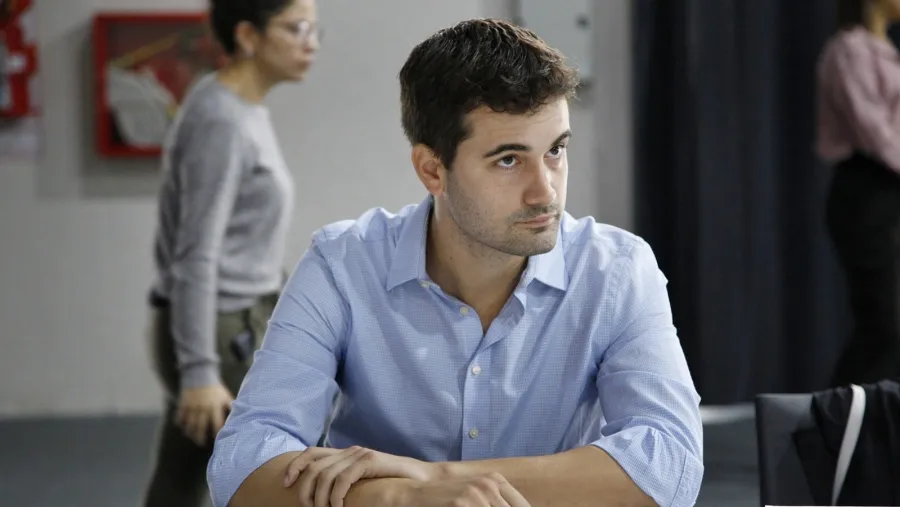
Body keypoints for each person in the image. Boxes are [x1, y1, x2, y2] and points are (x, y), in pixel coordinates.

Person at [209, 18, 703, 507]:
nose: (545, 191)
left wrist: (437, 477)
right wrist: (403, 497)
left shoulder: (617, 271)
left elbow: (670, 463)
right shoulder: (341, 265)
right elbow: (241, 464)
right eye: (508, 159)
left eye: (555, 150)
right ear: (432, 170)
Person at [142, 0, 319, 506]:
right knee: (276, 475)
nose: (311, 43)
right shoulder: (221, 120)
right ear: (247, 36)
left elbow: (246, 238)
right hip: (219, 330)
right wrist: (199, 371)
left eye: (314, 30)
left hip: (239, 318)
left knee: (182, 477)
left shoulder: (241, 109)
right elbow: (196, 254)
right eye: (296, 29)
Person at [816, 0, 900, 388]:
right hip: (866, 193)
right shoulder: (848, 49)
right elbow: (872, 129)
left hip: (889, 191)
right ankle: (834, 419)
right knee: (884, 326)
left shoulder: (887, 51)